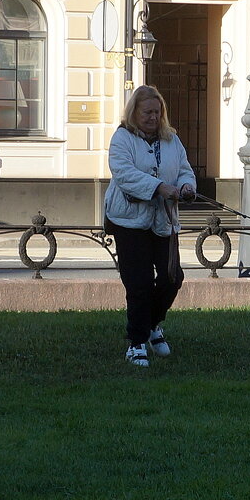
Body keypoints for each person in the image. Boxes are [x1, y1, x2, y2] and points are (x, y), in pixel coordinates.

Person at [104, 85, 196, 366]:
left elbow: (184, 170)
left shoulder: (172, 140)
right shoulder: (121, 138)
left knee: (172, 278)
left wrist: (187, 187)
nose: (153, 117)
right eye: (147, 112)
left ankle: (153, 325)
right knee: (139, 282)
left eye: (157, 112)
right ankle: (137, 343)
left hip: (164, 220)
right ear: (135, 112)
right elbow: (123, 174)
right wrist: (158, 187)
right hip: (128, 220)